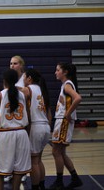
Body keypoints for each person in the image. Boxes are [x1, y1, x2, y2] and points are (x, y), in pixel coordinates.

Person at [0, 69, 31, 190]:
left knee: (0, 169)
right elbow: (30, 118)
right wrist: (27, 134)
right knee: (19, 169)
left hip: (5, 134)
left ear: (4, 80)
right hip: (21, 132)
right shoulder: (23, 95)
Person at [48, 62, 82, 190]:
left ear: (65, 72)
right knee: (60, 152)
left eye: (57, 70)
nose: (55, 72)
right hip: (62, 120)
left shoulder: (67, 85)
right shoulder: (66, 85)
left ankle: (59, 181)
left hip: (64, 120)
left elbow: (78, 98)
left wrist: (68, 112)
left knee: (56, 151)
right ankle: (75, 178)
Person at [22, 69, 51, 190]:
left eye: (24, 77)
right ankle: (42, 186)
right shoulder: (41, 89)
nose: (23, 80)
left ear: (29, 79)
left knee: (33, 161)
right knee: (38, 160)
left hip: (35, 126)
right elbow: (49, 111)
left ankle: (35, 187)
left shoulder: (27, 89)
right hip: (45, 126)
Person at [6, 55, 28, 183]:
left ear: (21, 65)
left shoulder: (25, 78)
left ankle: (23, 172)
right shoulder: (9, 78)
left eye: (15, 63)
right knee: (11, 148)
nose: (12, 66)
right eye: (11, 63)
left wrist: (16, 89)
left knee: (22, 149)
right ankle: (10, 172)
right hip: (11, 116)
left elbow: (27, 92)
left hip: (22, 116)